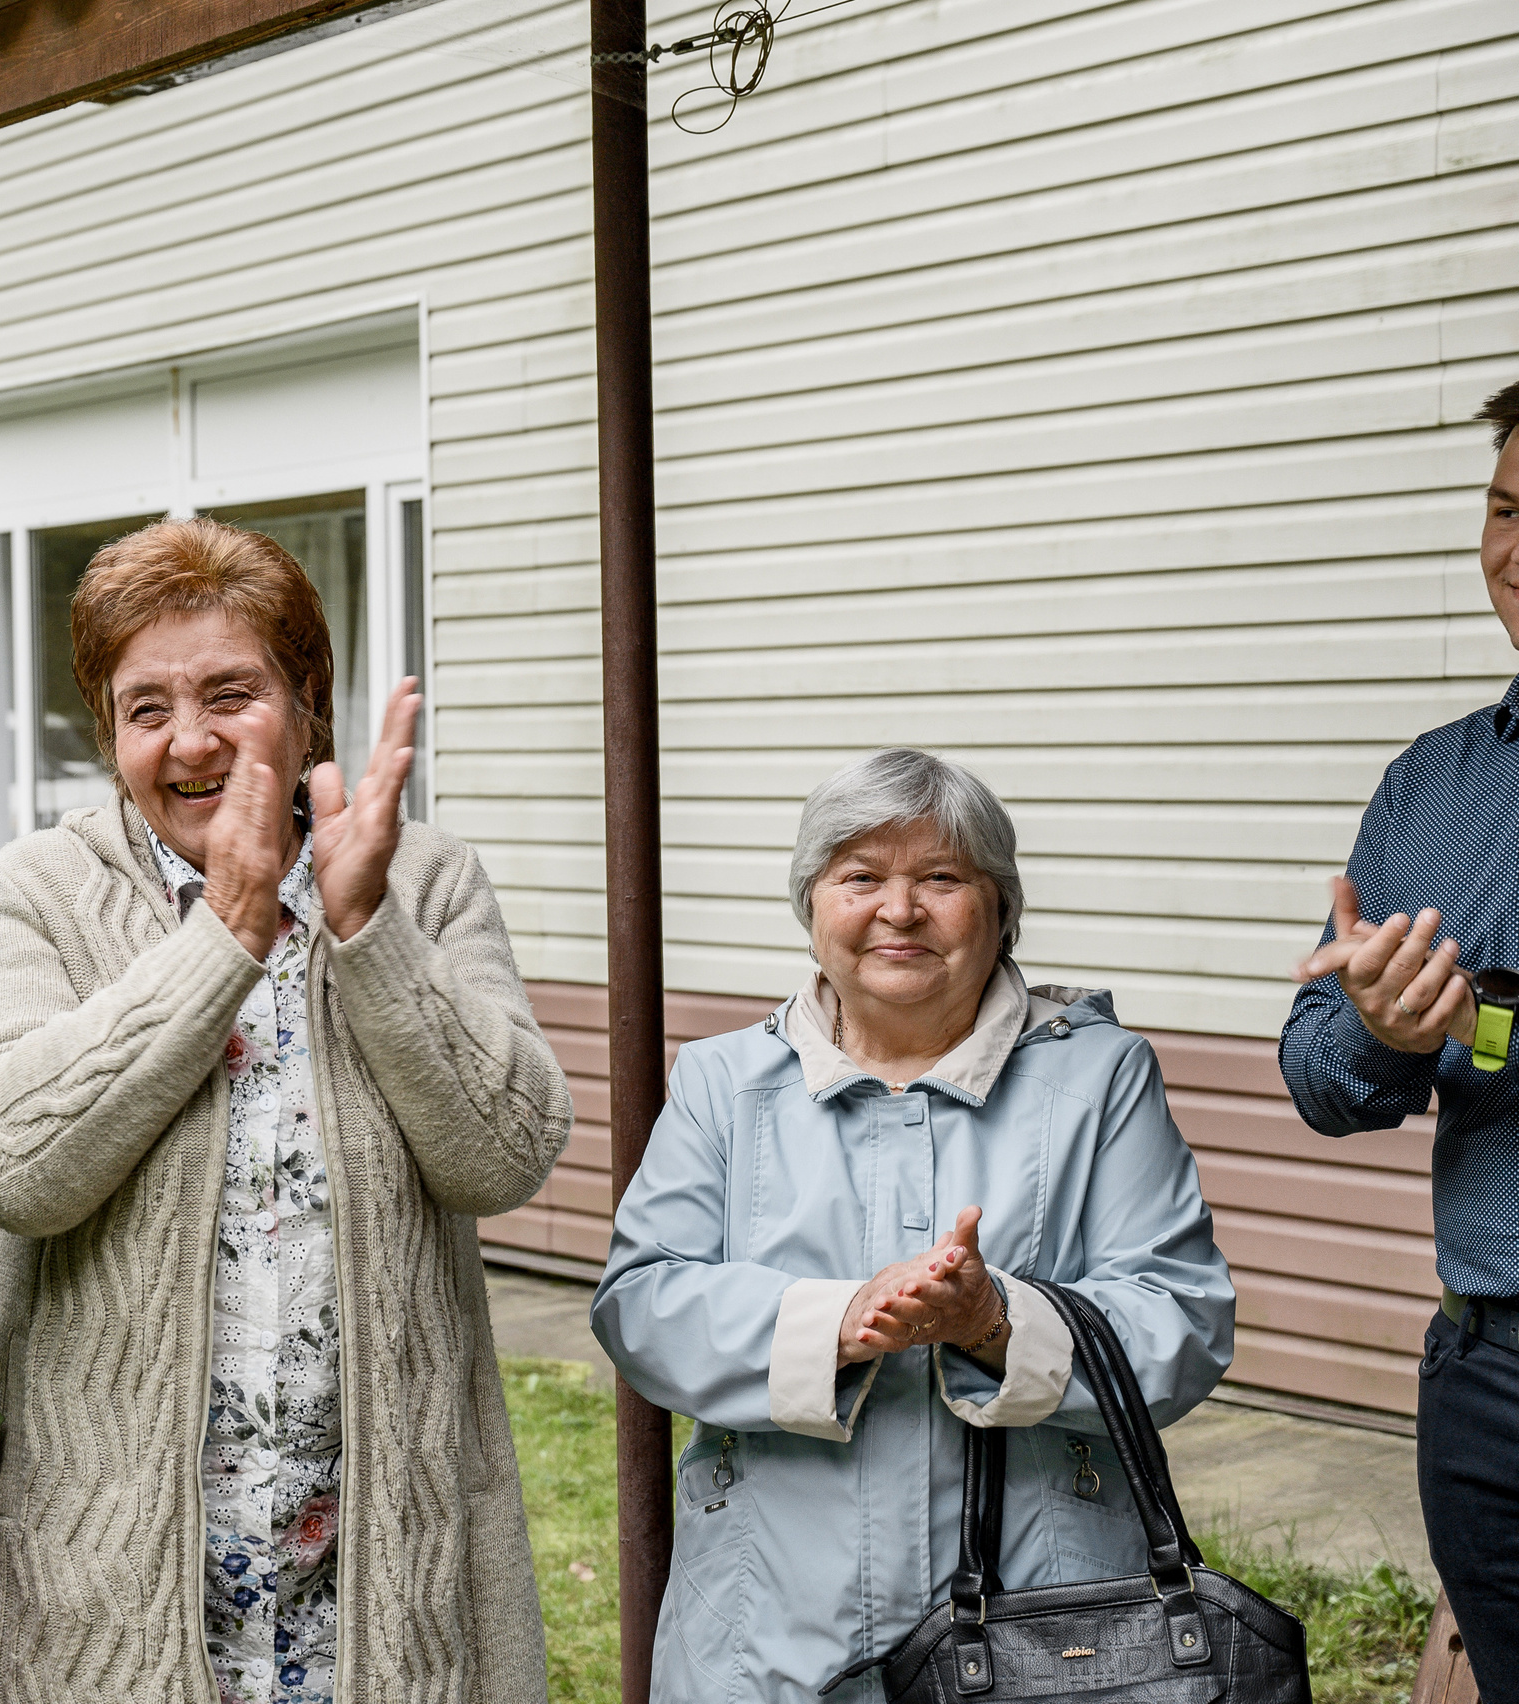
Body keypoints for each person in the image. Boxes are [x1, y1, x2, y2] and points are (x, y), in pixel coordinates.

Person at [0, 517, 573, 1704]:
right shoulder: (39, 891)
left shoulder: (423, 881)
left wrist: (367, 932)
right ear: (108, 730)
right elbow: (15, 1165)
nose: (190, 741)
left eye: (230, 692)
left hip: (379, 1580)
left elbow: (505, 1153)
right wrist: (227, 931)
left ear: (306, 704)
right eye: (145, 708)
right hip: (113, 1577)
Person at [593, 748, 1235, 1704]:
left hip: (1046, 1634)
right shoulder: (723, 1083)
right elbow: (641, 1305)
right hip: (765, 1633)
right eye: (861, 878)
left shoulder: (1100, 1079)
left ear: (1002, 910)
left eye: (941, 877)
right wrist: (840, 1321)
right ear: (812, 907)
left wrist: (996, 1325)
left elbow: (1184, 1322)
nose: (899, 911)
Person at [1281, 379, 1519, 1693]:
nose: (1515, 551)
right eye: (1502, 509)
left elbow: (1485, 1031)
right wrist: (1380, 1030)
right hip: (1486, 1370)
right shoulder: (1430, 787)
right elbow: (1317, 1068)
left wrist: (1474, 1027)